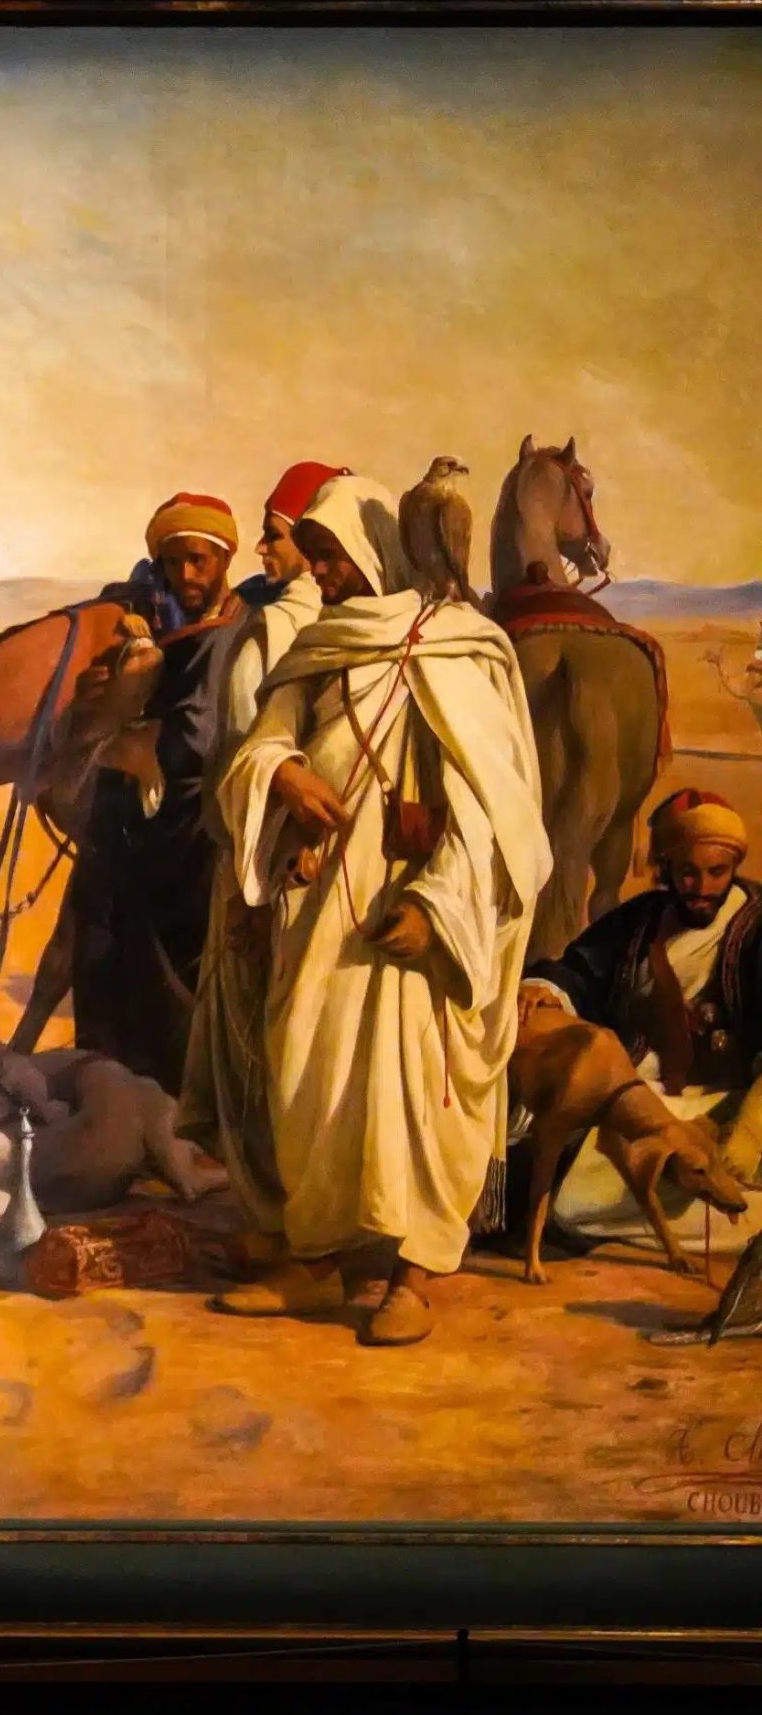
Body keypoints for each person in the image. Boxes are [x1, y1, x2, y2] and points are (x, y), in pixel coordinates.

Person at [210, 473, 551, 1345]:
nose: (320, 572)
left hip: (416, 908)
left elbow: (493, 805)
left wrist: (439, 907)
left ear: (375, 552)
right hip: (321, 903)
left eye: (330, 556)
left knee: (415, 1085)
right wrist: (284, 774)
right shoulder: (321, 646)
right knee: (306, 1067)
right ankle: (316, 1261)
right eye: (315, 555)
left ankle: (412, 1275)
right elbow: (260, 748)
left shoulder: (460, 649)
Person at [176, 460, 345, 1229]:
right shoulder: (299, 621)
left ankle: (279, 1212)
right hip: (286, 854)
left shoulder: (279, 628)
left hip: (267, 861)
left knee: (261, 1032)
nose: (264, 550)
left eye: (276, 535)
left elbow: (257, 753)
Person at [67, 490, 253, 1093]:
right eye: (174, 562)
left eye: (199, 560)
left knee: (178, 980)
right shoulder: (168, 622)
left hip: (194, 835)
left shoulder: (235, 630)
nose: (187, 575)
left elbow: (196, 738)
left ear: (226, 559)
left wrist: (130, 740)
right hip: (142, 824)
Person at [522, 788, 762, 1244]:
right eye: (688, 872)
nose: (702, 887)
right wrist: (544, 988)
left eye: (717, 872)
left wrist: (751, 1129)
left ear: (734, 866)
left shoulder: (756, 924)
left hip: (723, 1105)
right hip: (638, 1099)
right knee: (570, 1197)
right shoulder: (641, 919)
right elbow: (580, 971)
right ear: (667, 868)